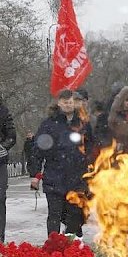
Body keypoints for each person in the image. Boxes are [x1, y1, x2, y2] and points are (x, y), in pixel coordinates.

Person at [29, 89, 93, 237]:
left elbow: (91, 148)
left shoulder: (83, 123)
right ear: (59, 103)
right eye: (65, 102)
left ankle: (71, 249)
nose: (68, 105)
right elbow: (38, 150)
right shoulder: (49, 124)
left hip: (76, 177)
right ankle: (53, 246)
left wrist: (92, 170)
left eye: (71, 102)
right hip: (54, 176)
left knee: (74, 216)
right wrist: (35, 174)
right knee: (54, 215)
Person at [0, 97, 16, 243]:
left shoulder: (3, 111)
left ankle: (0, 240)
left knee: (0, 199)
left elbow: (11, 136)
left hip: (0, 163)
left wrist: (3, 146)